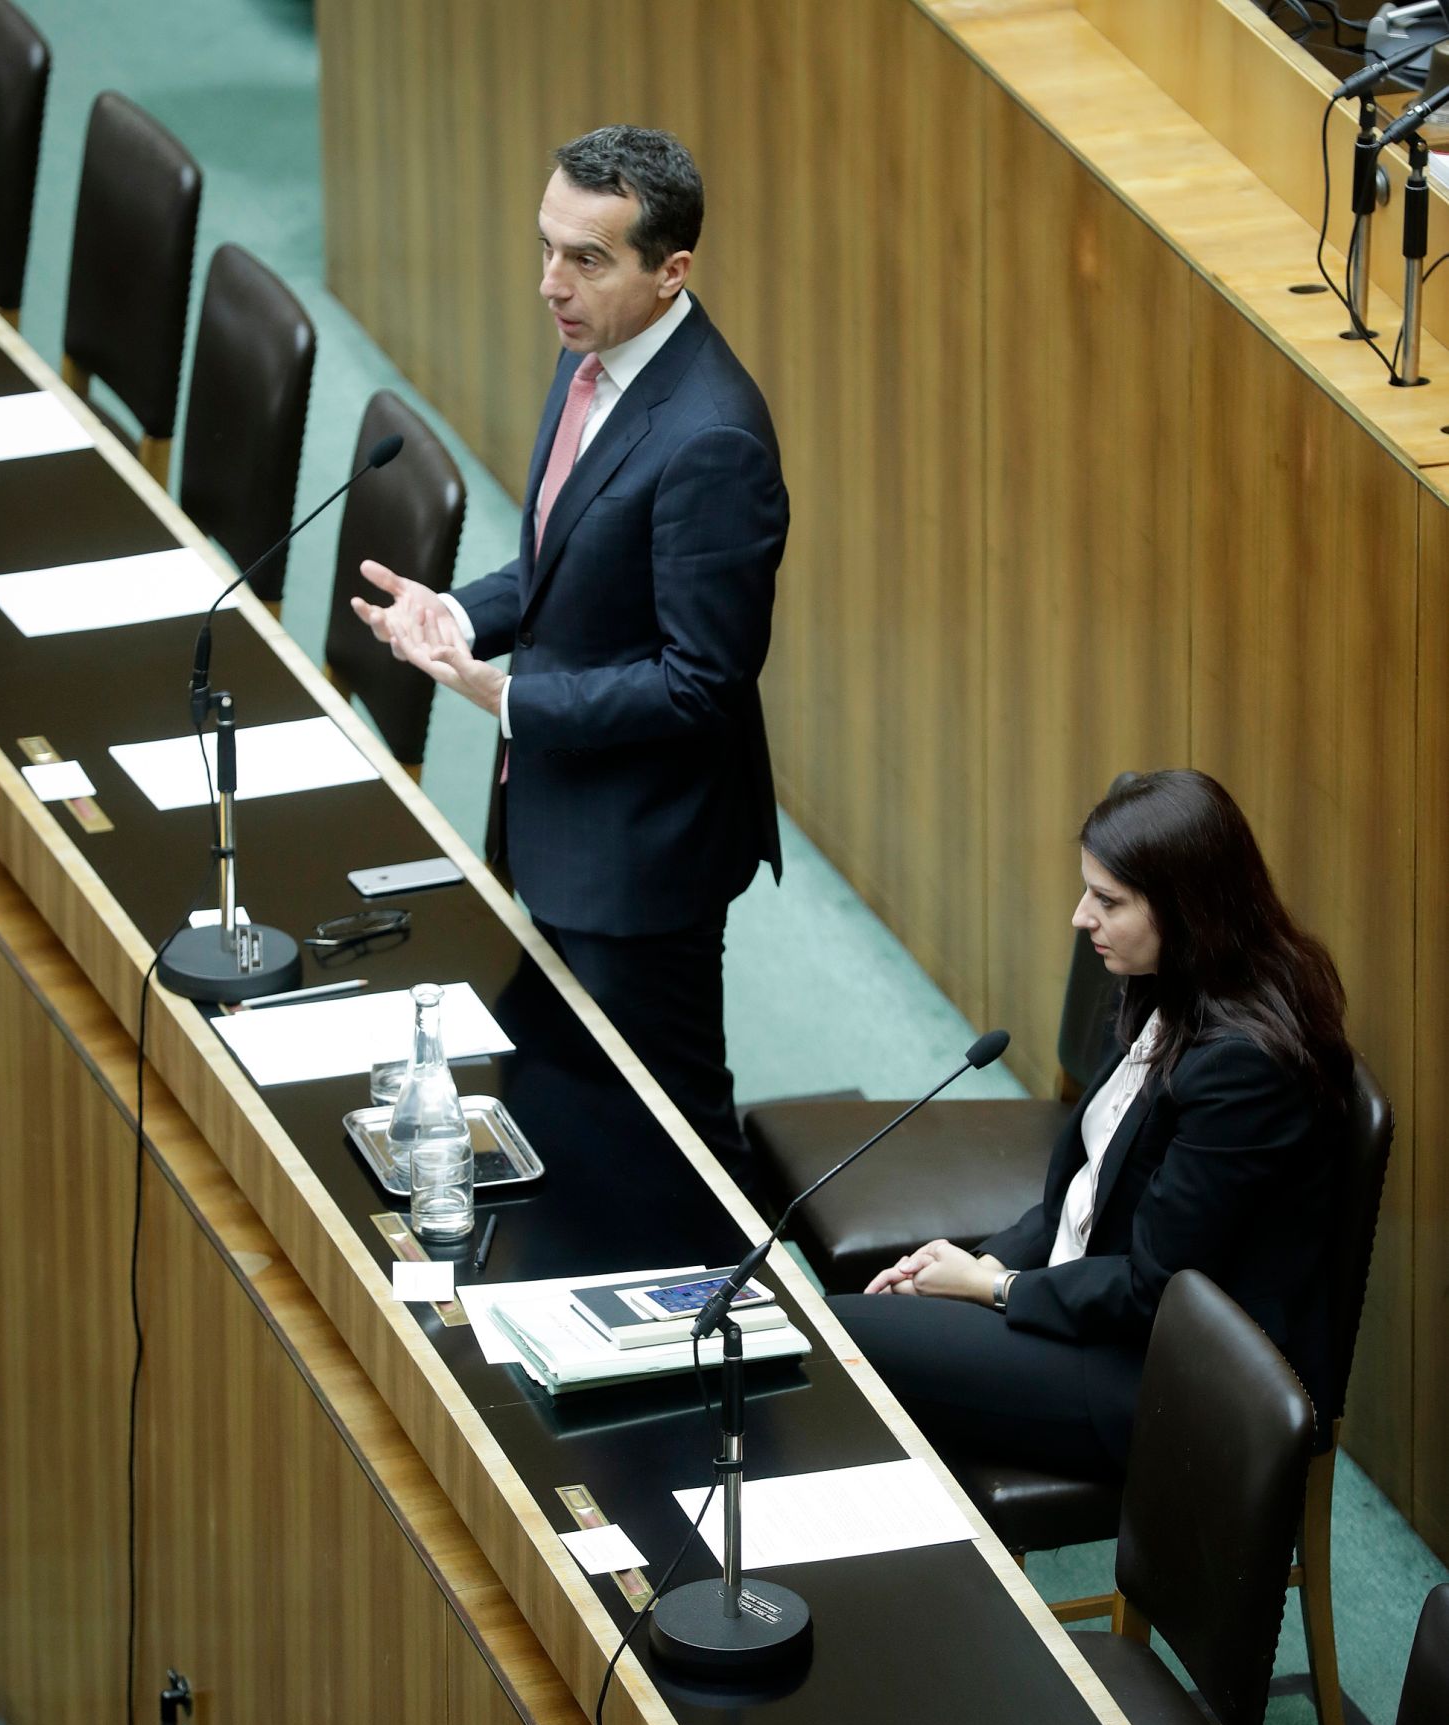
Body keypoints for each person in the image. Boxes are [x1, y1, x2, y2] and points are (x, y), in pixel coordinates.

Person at [350, 126, 787, 1175]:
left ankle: (748, 1329)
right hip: (557, 817)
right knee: (561, 1084)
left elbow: (701, 685)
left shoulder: (712, 438)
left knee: (674, 1128)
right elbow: (562, 567)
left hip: (645, 856)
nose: (552, 281)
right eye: (546, 246)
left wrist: (509, 696)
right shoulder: (592, 351)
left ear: (670, 269)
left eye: (586, 258)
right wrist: (457, 614)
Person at [829, 770, 1352, 1480]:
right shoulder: (1163, 982)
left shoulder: (1244, 1068)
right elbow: (1083, 1191)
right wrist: (984, 1260)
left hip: (1168, 1380)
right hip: (1088, 1314)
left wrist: (992, 1289)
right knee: (847, 1326)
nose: (1080, 917)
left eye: (1106, 900)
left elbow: (1153, 1291)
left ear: (1186, 907)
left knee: (832, 1344)